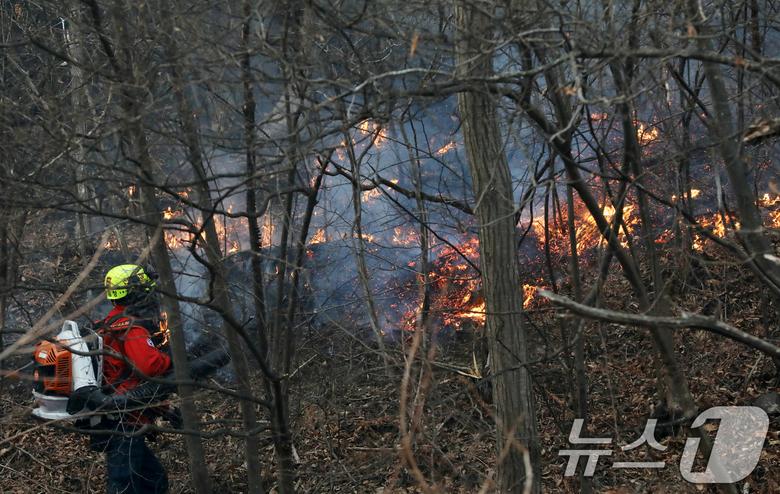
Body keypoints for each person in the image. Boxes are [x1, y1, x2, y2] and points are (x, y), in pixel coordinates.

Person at [72, 264, 172, 494]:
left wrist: (164, 410)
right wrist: (170, 359)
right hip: (124, 420)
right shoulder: (131, 327)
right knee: (124, 484)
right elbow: (148, 366)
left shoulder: (112, 320)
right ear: (136, 292)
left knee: (154, 481)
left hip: (119, 415)